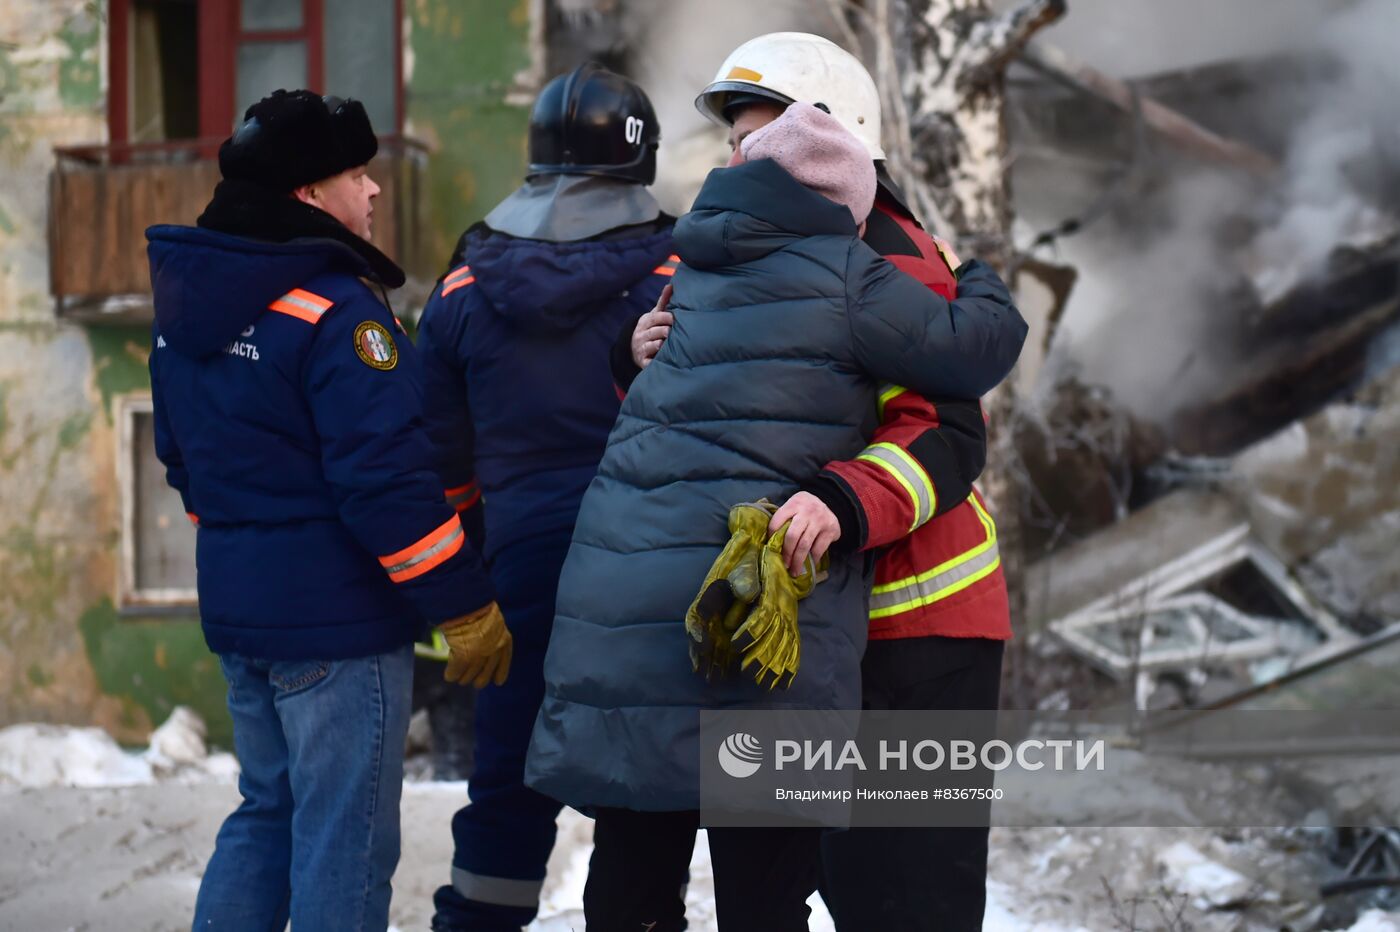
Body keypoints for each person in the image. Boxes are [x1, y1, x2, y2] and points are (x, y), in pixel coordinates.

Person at [526, 100, 1026, 931]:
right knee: (762, 891)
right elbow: (969, 348)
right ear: (841, 201)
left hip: (621, 611)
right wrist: (979, 275)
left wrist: (626, 353)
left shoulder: (692, 269)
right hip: (735, 619)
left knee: (631, 880)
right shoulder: (846, 270)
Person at [145, 89, 509, 932]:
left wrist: (250, 549)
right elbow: (385, 481)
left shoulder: (186, 313)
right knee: (344, 841)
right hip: (337, 631)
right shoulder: (335, 311)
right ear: (309, 193)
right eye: (356, 174)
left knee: (266, 814)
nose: (374, 191)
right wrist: (462, 603)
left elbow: (181, 462)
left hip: (242, 617)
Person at [415, 63, 675, 932]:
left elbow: (438, 460)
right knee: (640, 802)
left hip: (516, 578)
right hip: (646, 585)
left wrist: (475, 563)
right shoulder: (683, 274)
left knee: (505, 794)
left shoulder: (459, 290)